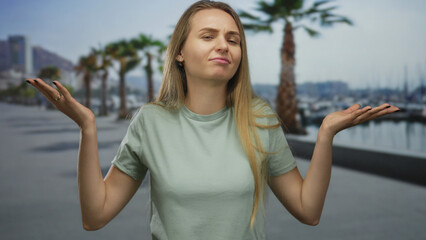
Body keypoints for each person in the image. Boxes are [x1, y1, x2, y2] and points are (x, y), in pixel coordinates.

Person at [26, 1, 399, 239]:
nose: (224, 45)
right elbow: (95, 217)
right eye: (208, 36)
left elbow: (308, 211)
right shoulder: (149, 122)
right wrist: (87, 129)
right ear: (180, 54)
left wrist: (326, 135)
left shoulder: (260, 118)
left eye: (233, 39)